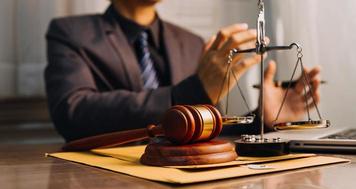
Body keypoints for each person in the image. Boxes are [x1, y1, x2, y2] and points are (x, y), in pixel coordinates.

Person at [45, 0, 321, 142]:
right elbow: (73, 113)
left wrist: (262, 121)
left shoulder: (190, 43)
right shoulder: (71, 33)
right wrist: (192, 92)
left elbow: (205, 128)